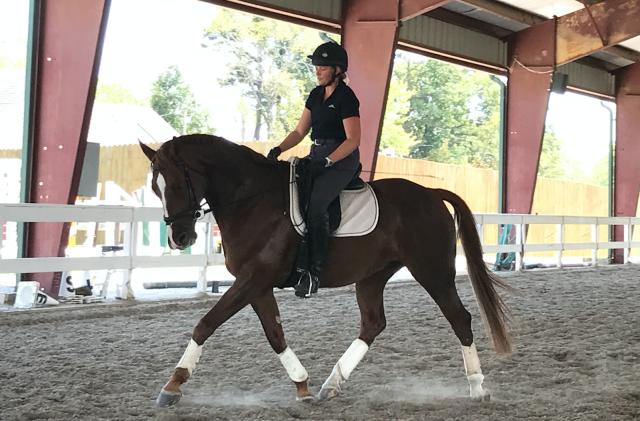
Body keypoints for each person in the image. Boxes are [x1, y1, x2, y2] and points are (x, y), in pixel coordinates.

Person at [266, 42, 362, 298]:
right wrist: (279, 149)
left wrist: (328, 161)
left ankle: (314, 273)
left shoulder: (346, 97)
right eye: (316, 67)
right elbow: (300, 131)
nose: (317, 71)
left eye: (322, 67)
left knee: (316, 204)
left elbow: (353, 139)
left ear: (337, 70)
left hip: (342, 159)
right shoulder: (315, 95)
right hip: (316, 154)